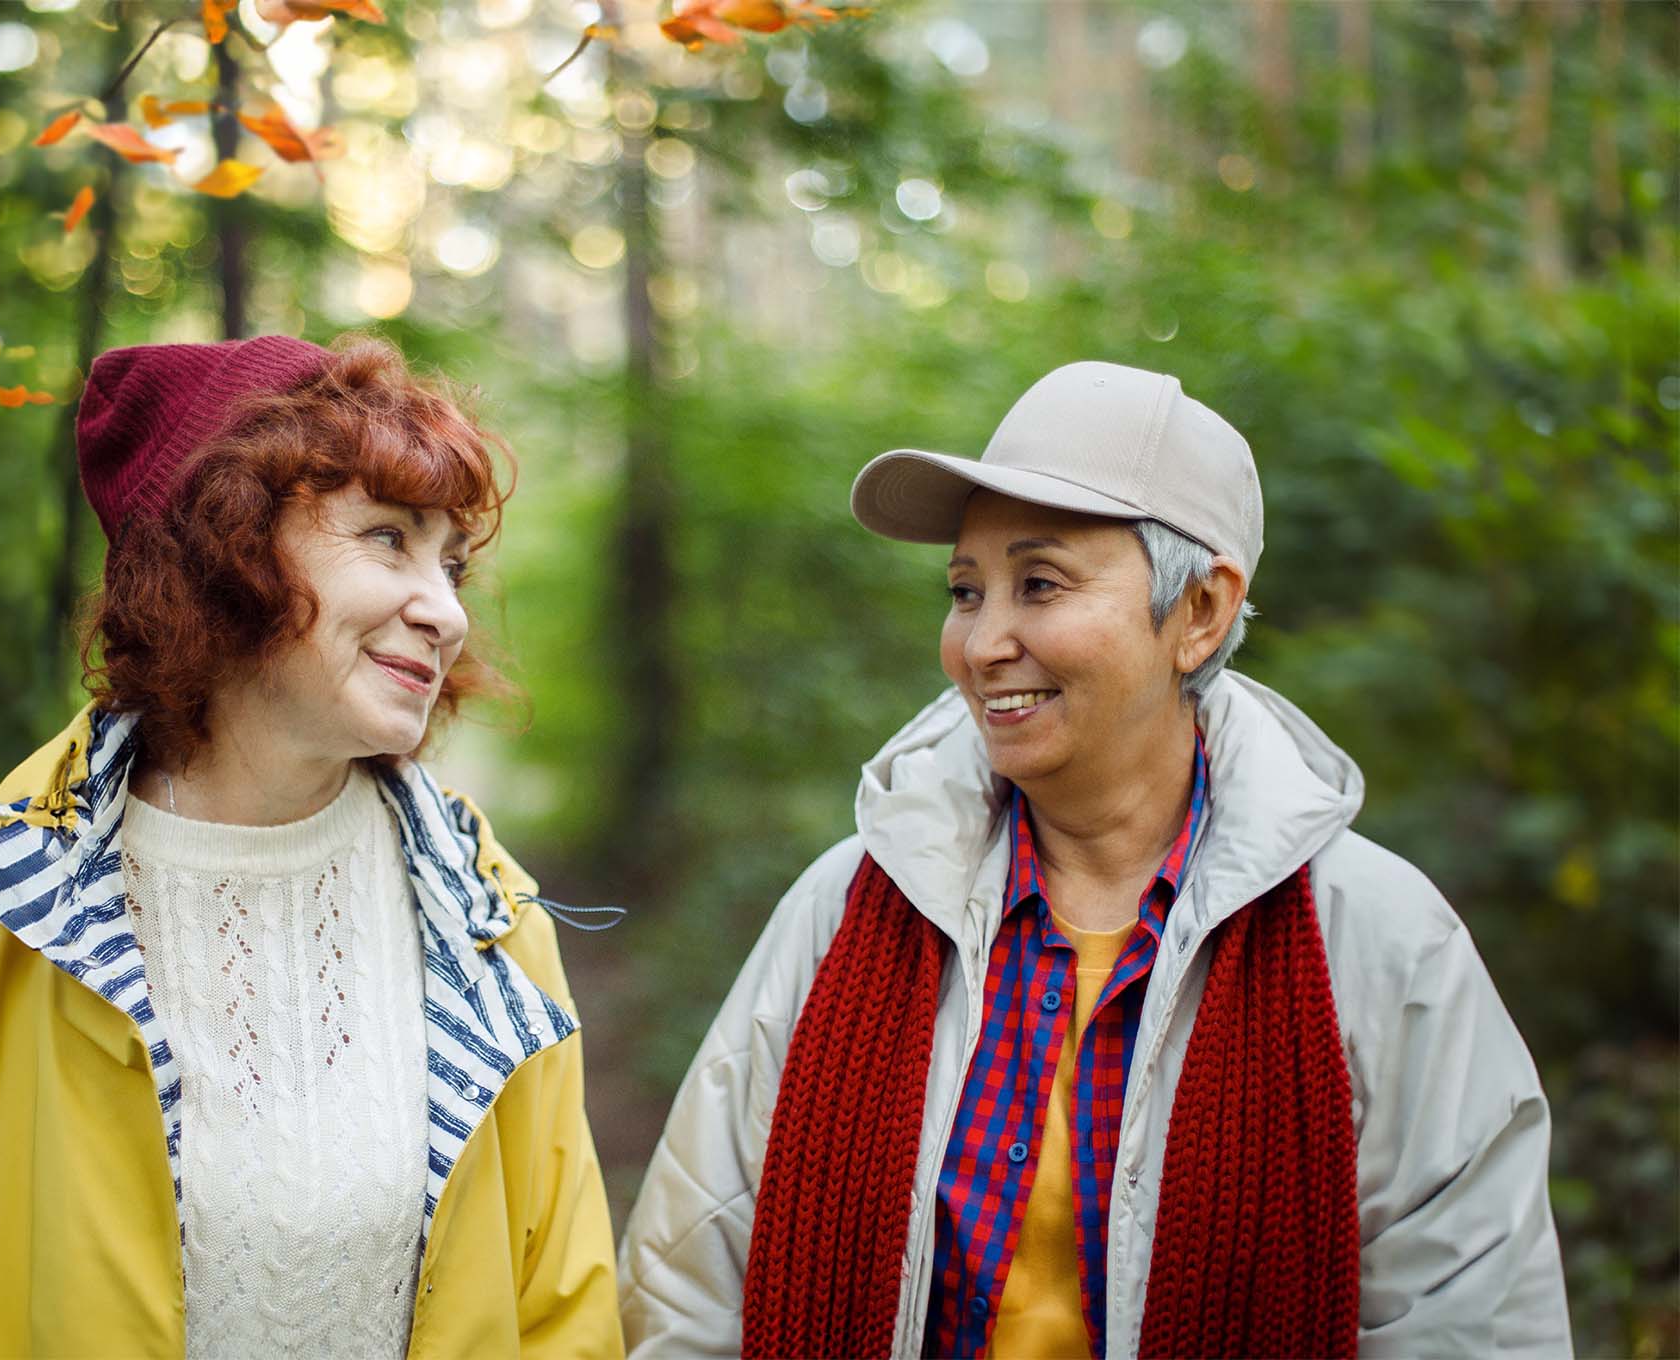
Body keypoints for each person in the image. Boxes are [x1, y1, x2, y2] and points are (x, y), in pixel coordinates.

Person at [618, 361, 1570, 1359]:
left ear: (1197, 612)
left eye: (1039, 583)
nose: (982, 641)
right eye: (962, 589)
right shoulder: (844, 911)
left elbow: (1470, 1323)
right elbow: (690, 1290)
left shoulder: (1376, 940)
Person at [0, 335, 624, 1359]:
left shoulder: (486, 921)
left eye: (451, 561)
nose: (444, 611)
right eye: (386, 538)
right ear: (221, 555)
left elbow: (560, 1321)